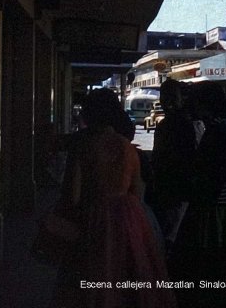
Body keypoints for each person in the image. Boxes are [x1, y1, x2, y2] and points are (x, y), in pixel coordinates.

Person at [48, 89, 175, 308]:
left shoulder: (83, 147)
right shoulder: (128, 149)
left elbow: (73, 195)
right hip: (129, 221)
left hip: (92, 221)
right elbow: (136, 193)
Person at [170, 81, 226, 308]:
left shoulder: (216, 132)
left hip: (220, 206)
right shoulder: (221, 129)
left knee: (218, 263)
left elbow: (214, 174)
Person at [148, 79, 196, 254]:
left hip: (174, 188)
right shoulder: (182, 123)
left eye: (169, 97)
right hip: (173, 187)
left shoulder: (178, 124)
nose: (165, 101)